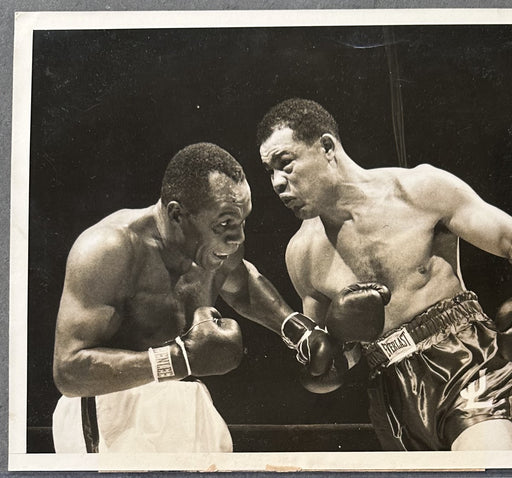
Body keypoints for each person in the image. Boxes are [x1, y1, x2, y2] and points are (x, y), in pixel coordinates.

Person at [256, 98, 512, 451]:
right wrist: (328, 358)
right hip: (391, 393)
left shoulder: (418, 189)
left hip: (467, 363)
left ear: (326, 147)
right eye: (270, 173)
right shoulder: (302, 254)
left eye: (285, 164)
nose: (277, 182)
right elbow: (332, 359)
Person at [52, 142, 342, 453]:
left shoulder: (217, 245)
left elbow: (241, 282)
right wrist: (180, 359)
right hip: (112, 410)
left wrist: (297, 329)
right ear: (177, 214)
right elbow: (68, 371)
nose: (238, 236)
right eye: (226, 223)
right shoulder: (109, 249)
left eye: (243, 220)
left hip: (187, 402)